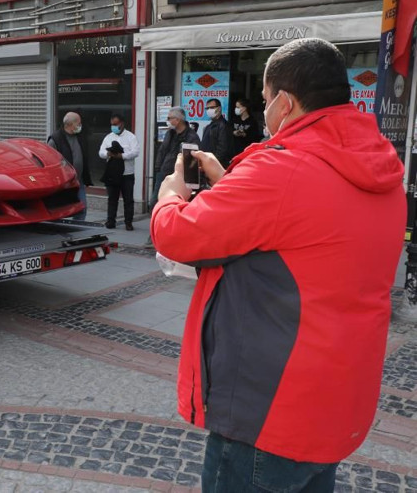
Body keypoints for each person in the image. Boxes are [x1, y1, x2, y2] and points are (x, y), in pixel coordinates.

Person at [151, 38, 405, 492]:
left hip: (268, 411)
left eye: (265, 101)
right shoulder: (380, 171)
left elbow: (179, 235)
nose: (264, 111)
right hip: (333, 404)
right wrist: (230, 182)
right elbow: (301, 236)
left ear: (285, 103)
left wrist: (171, 194)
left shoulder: (280, 172)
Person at [150, 107, 200, 210]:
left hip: (179, 176)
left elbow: (191, 160)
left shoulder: (191, 136)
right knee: (155, 203)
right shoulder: (170, 133)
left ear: (177, 120)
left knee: (173, 204)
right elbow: (162, 150)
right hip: (163, 172)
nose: (167, 121)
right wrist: (158, 167)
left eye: (169, 118)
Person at [48, 112, 92, 220]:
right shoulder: (55, 139)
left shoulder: (80, 137)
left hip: (78, 181)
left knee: (82, 209)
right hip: (63, 184)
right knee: (60, 211)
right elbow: (50, 161)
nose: (80, 126)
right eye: (78, 123)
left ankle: (79, 232)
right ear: (70, 124)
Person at [98, 113, 139, 230]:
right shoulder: (108, 137)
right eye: (112, 124)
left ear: (122, 123)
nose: (114, 126)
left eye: (115, 124)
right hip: (112, 173)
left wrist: (122, 156)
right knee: (112, 199)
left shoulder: (131, 137)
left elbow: (135, 152)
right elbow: (100, 152)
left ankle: (128, 222)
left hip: (127, 173)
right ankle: (110, 221)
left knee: (128, 200)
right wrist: (108, 154)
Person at [200, 98, 233, 168]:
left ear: (219, 108)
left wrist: (212, 163)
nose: (209, 110)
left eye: (212, 107)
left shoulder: (223, 126)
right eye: (207, 108)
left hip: (217, 166)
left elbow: (222, 149)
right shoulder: (209, 126)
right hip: (207, 165)